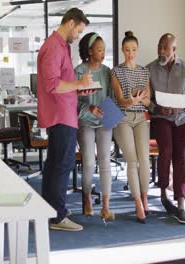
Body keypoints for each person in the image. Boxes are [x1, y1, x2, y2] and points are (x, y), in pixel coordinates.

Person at [37, 8, 96, 232]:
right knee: (61, 164)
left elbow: (62, 83)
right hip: (60, 115)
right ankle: (58, 216)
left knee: (55, 164)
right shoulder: (53, 47)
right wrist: (79, 85)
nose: (78, 36)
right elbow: (52, 84)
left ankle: (51, 209)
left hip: (64, 111)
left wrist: (79, 90)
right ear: (71, 23)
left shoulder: (61, 46)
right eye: (79, 31)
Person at [147, 33, 185, 224]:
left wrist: (181, 106)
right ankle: (163, 194)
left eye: (165, 48)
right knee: (166, 152)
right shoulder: (150, 69)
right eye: (159, 46)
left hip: (180, 118)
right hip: (161, 117)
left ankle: (181, 202)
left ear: (173, 50)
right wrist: (157, 108)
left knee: (180, 157)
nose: (161, 51)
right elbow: (146, 99)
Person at [111, 31, 151, 224]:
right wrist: (131, 99)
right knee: (132, 160)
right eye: (127, 50)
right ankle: (137, 202)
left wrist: (142, 99)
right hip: (123, 118)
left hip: (141, 118)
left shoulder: (144, 72)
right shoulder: (116, 71)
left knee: (145, 159)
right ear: (122, 50)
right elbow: (120, 100)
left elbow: (149, 101)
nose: (130, 53)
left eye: (134, 49)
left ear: (137, 50)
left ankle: (145, 196)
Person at [75, 32, 115, 221]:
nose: (103, 53)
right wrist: (89, 107)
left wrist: (111, 112)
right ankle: (87, 197)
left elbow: (112, 97)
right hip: (85, 121)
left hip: (105, 121)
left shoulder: (108, 71)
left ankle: (106, 206)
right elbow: (72, 101)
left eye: (104, 49)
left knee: (105, 161)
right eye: (99, 50)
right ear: (90, 51)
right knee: (89, 162)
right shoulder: (79, 71)